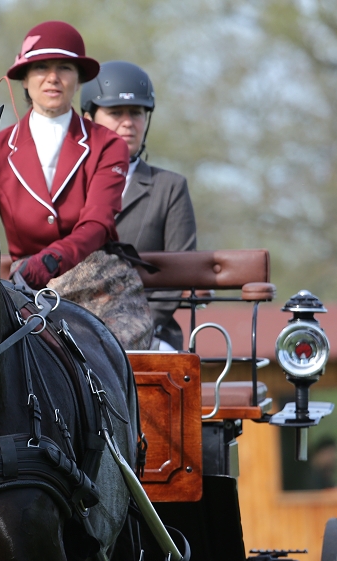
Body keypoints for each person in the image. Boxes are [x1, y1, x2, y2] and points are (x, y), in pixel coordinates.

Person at [0, 20, 129, 290]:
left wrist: (51, 261)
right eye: (41, 67)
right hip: (25, 279)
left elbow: (98, 222)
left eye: (64, 68)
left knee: (123, 333)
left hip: (97, 277)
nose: (53, 78)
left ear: (79, 80)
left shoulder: (108, 144)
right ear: (25, 79)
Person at [81, 61, 197, 350]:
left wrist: (131, 329)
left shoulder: (170, 188)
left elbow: (177, 276)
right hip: (74, 328)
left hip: (150, 334)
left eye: (136, 113)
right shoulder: (63, 186)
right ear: (89, 118)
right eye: (115, 113)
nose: (128, 122)